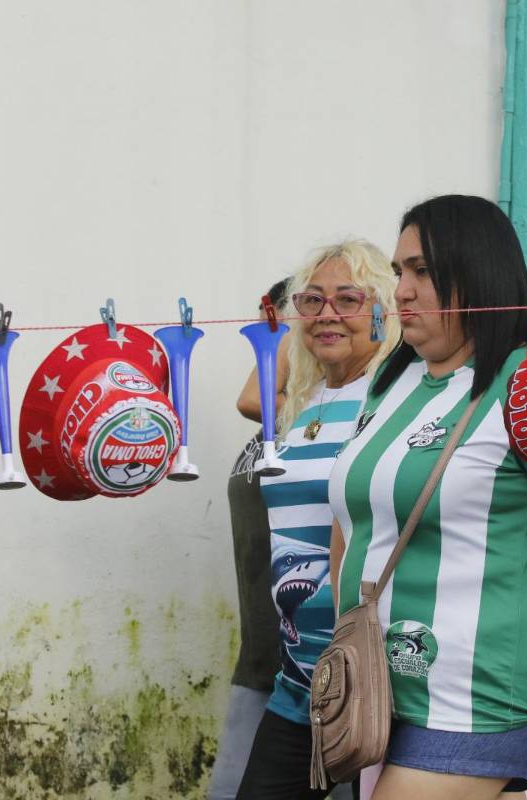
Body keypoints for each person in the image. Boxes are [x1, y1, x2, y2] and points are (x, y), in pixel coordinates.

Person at [328, 195, 527, 800]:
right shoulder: (393, 380)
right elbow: (352, 518)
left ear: (476, 273)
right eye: (399, 271)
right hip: (381, 690)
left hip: (480, 696)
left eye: (422, 271)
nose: (402, 290)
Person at [236, 239, 400, 800]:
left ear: (383, 311)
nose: (327, 313)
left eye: (348, 299)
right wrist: (298, 321)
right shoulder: (301, 405)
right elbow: (252, 395)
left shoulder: (394, 402)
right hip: (302, 683)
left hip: (381, 681)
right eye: (312, 301)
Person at [209, 280, 293, 800]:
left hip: (318, 667)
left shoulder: (324, 416)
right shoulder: (280, 426)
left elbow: (249, 398)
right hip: (261, 660)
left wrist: (288, 326)